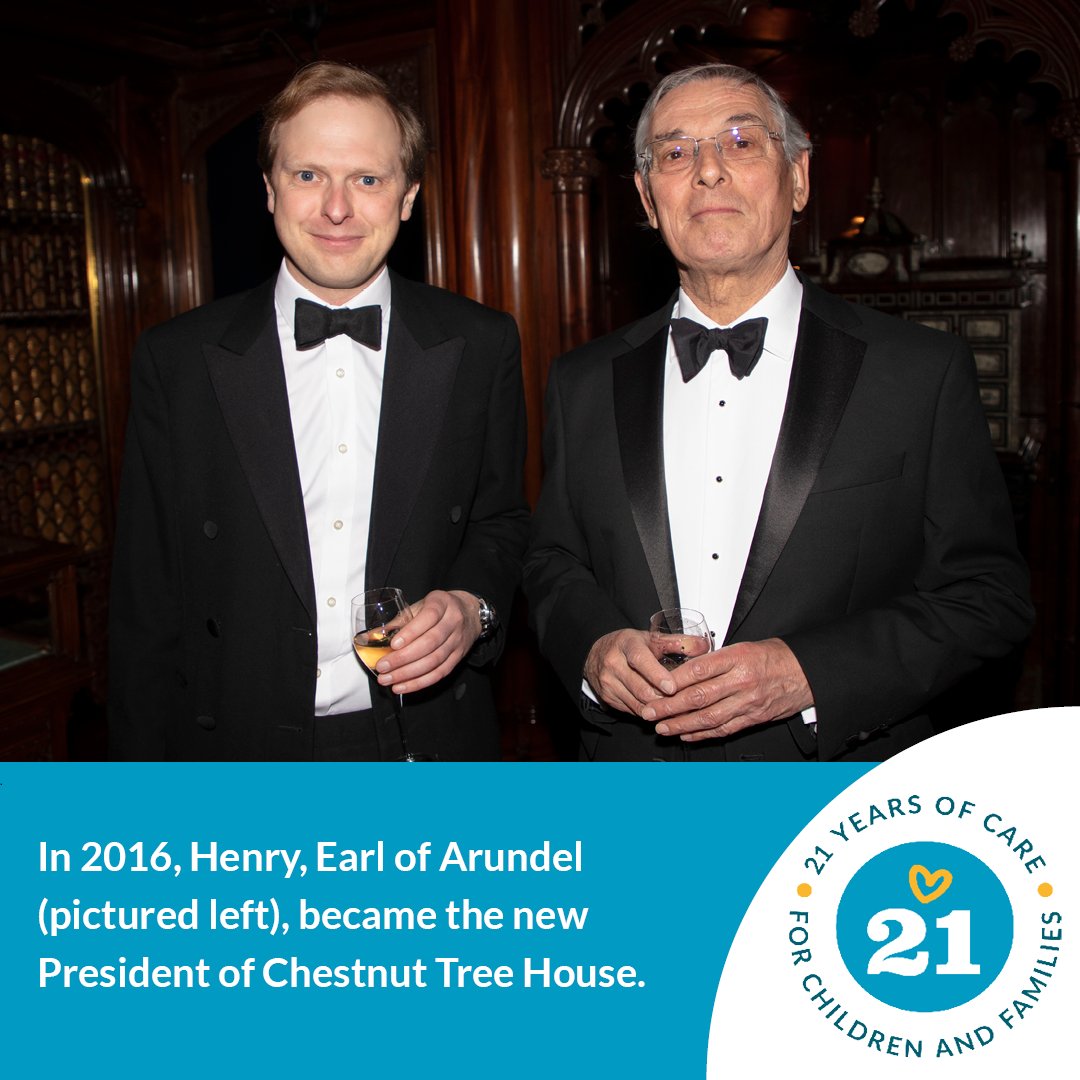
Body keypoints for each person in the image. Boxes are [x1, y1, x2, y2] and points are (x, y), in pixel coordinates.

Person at [523, 63, 1033, 762]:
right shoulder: (579, 380)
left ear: (798, 178)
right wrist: (592, 648)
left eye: (740, 142)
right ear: (647, 197)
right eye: (676, 152)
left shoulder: (917, 373)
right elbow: (553, 561)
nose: (707, 172)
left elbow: (988, 597)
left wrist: (808, 674)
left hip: (836, 793)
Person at [109, 61, 528, 760]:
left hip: (428, 742)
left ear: (408, 196)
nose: (337, 208)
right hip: (235, 748)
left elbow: (502, 522)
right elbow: (146, 601)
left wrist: (471, 607)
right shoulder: (177, 360)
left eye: (368, 179)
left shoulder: (481, 343)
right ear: (269, 190)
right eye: (308, 176)